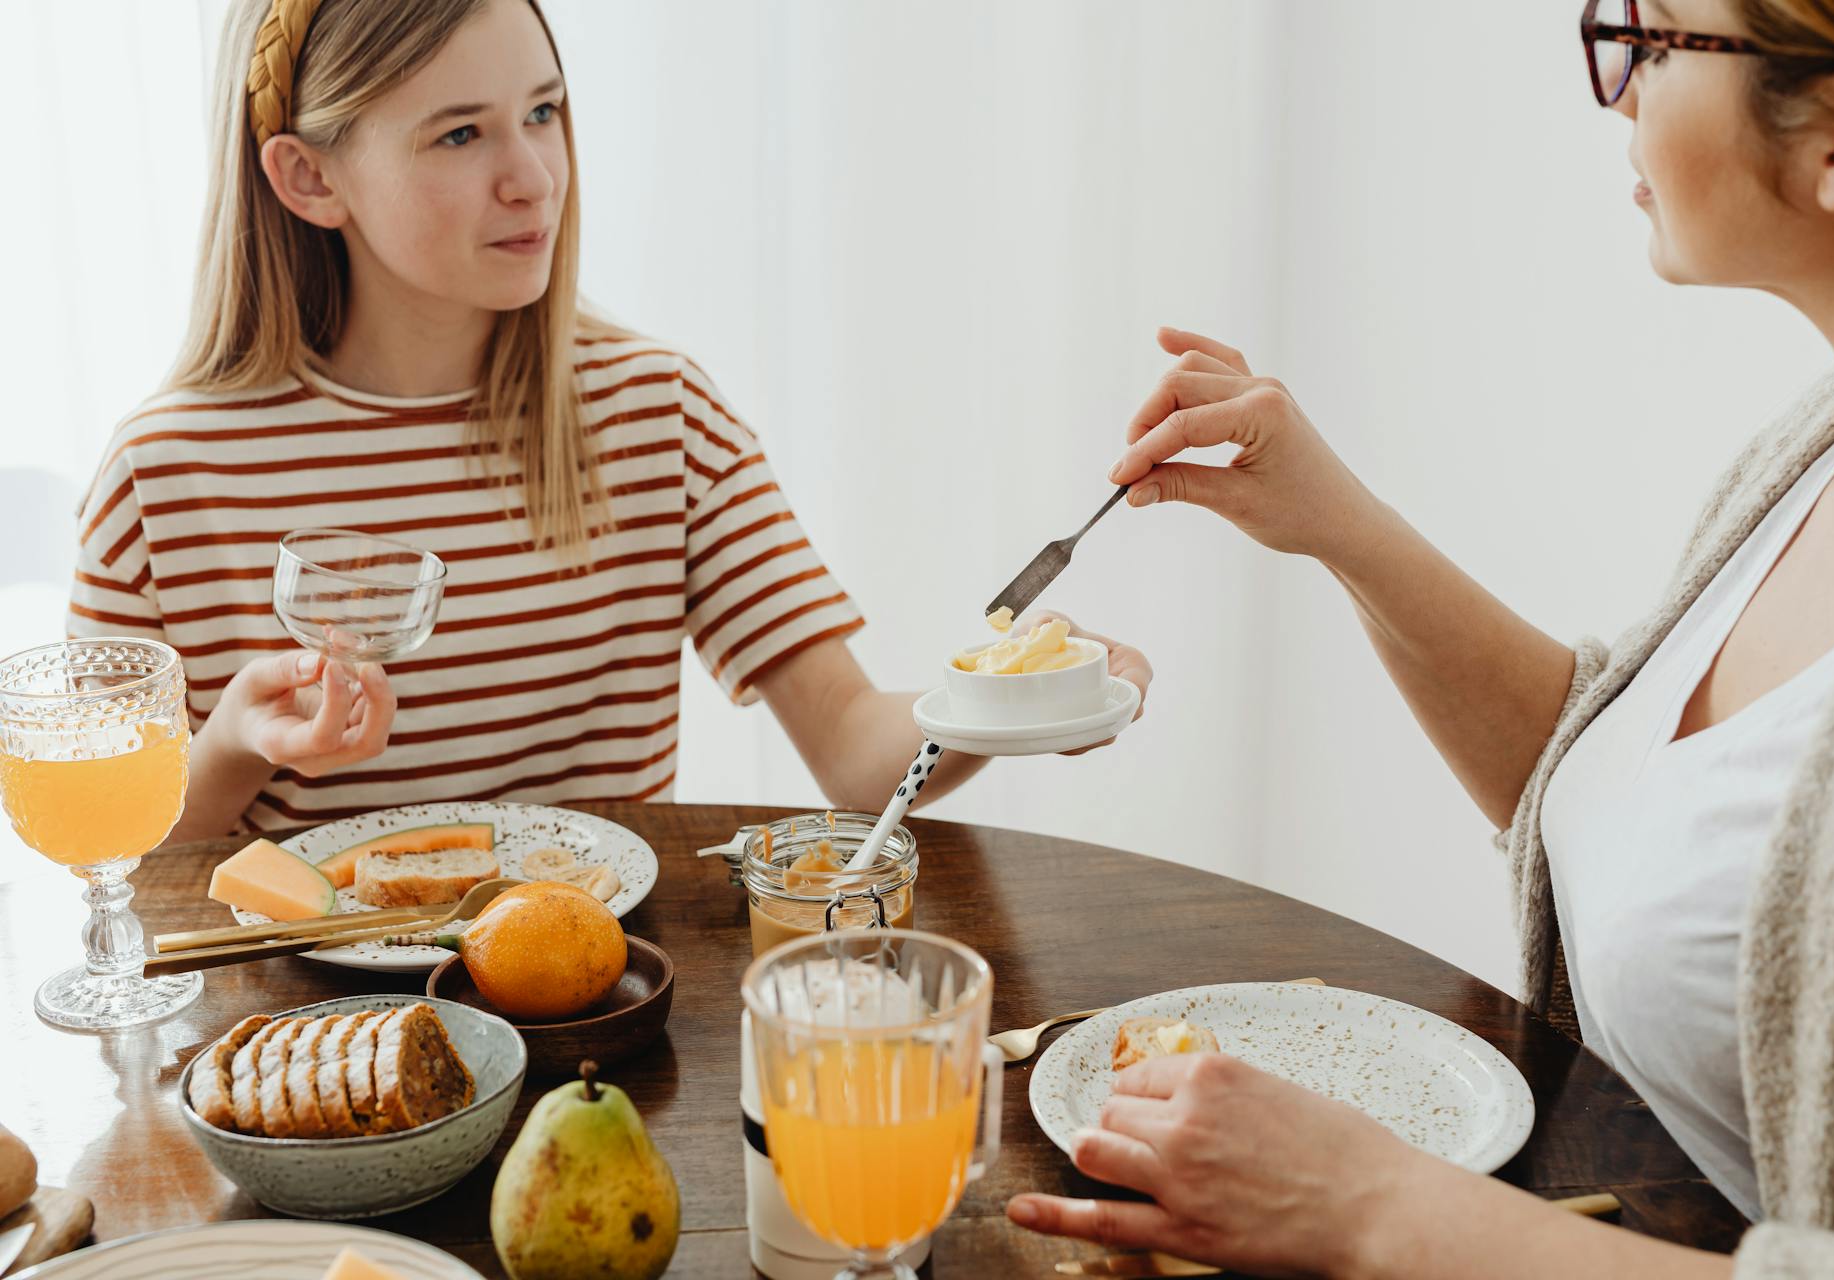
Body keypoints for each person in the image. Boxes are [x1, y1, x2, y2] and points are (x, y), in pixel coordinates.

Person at [1010, 1, 1834, 1275]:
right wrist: (1336, 521)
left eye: (1652, 43)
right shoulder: (1829, 445)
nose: (1617, 94)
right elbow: (1651, 810)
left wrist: (1369, 1202)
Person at [69, 0, 1149, 838]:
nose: (534, 176)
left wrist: (1016, 698)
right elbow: (106, 864)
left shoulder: (656, 413)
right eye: (458, 136)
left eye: (543, 112)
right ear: (309, 178)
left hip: (593, 1032)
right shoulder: (163, 478)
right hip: (305, 1061)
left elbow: (860, 755)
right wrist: (237, 748)